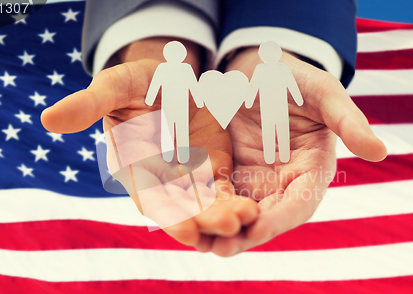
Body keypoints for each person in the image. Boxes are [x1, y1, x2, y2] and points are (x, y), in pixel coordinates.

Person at [41, 0, 387, 257]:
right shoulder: (166, 75)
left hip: (271, 109)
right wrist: (151, 48)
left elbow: (284, 92)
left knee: (275, 136)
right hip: (173, 110)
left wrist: (272, 54)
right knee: (174, 133)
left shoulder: (274, 74)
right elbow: (166, 86)